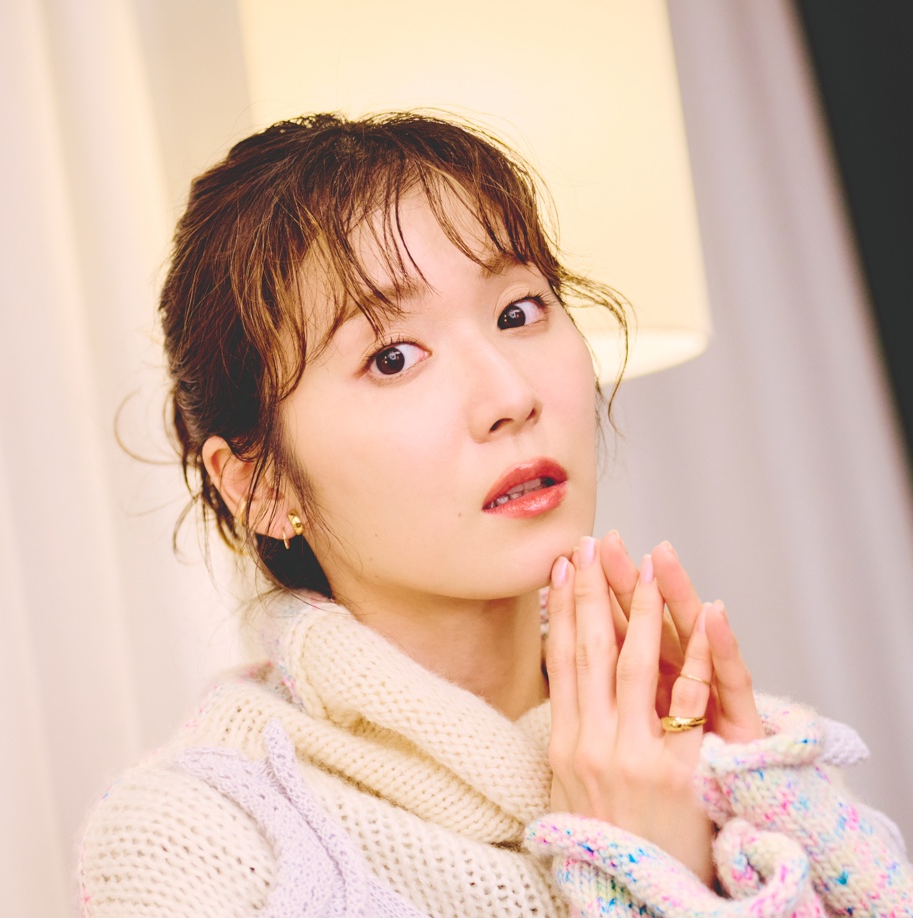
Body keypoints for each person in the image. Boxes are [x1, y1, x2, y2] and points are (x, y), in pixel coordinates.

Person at [77, 113, 910, 917]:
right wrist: (640, 870)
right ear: (260, 487)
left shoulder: (729, 765)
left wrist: (722, 824)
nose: (511, 395)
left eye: (519, 312)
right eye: (393, 358)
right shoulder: (194, 841)